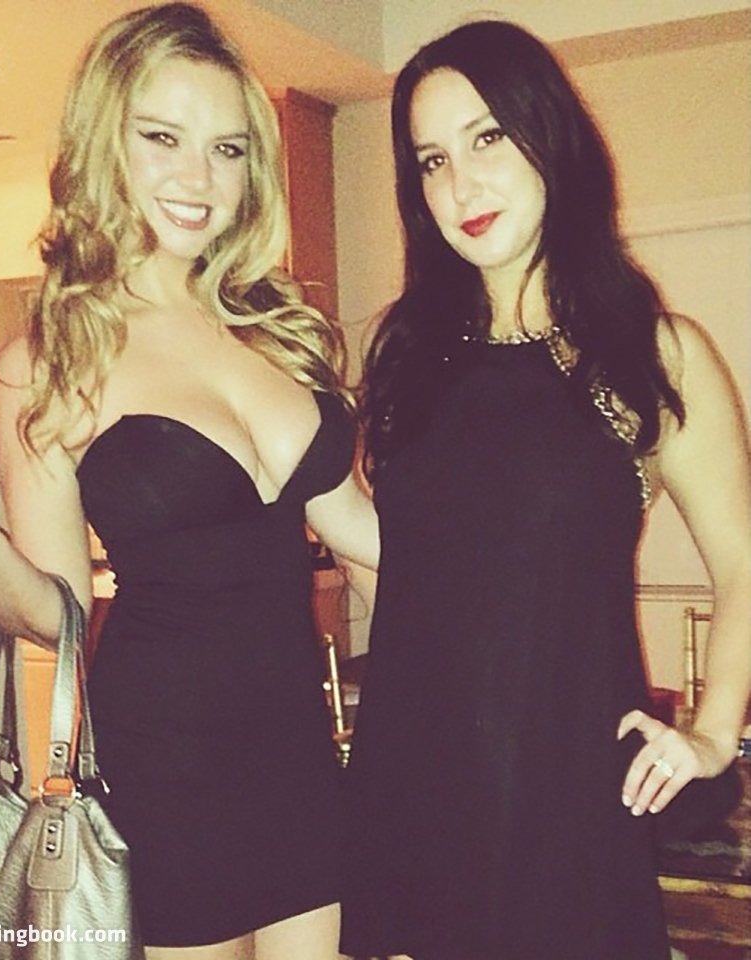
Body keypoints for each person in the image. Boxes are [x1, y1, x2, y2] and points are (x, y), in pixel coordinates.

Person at [0, 4, 378, 958]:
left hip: (300, 752)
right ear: (103, 144)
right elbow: (56, 618)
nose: (197, 178)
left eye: (226, 149)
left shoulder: (279, 331)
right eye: (162, 138)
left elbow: (368, 536)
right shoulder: (50, 360)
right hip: (165, 761)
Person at [341, 19, 751, 960]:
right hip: (416, 781)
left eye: (486, 137)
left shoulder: (651, 355)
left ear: (549, 135)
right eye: (431, 160)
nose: (460, 185)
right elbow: (405, 574)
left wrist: (710, 733)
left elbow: (740, 565)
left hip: (567, 793)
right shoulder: (404, 353)